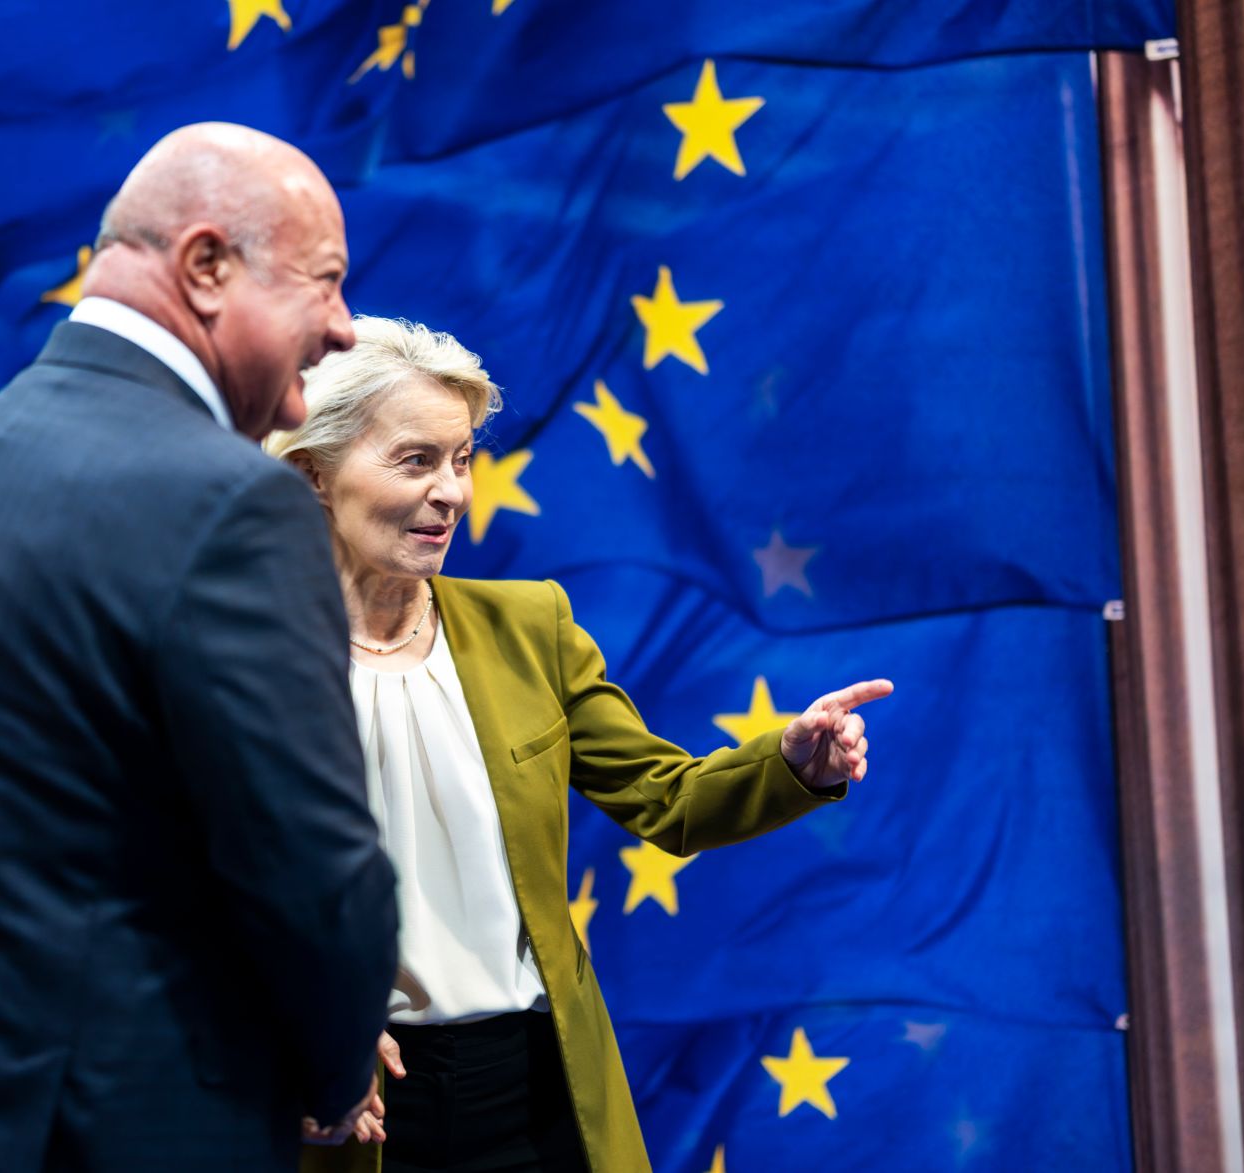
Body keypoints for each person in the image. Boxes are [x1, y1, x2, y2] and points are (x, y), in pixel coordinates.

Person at [0, 124, 399, 1173]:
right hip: (96, 1129)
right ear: (204, 267)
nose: (341, 327)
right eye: (324, 282)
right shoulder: (234, 505)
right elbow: (317, 881)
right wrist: (333, 1077)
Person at [266, 317, 892, 1173]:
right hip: (347, 1105)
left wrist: (790, 764)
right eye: (416, 460)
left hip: (533, 1092)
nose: (451, 492)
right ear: (311, 476)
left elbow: (666, 798)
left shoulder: (532, 626)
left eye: (460, 459)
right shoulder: (234, 662)